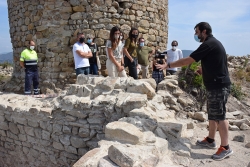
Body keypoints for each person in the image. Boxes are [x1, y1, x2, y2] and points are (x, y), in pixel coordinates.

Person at [156, 22, 232, 161]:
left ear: (204, 31)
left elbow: (188, 60)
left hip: (218, 85)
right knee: (213, 114)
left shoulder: (208, 44)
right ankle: (210, 139)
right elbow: (218, 62)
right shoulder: (213, 44)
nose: (195, 35)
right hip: (215, 84)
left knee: (220, 116)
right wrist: (205, 70)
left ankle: (226, 147)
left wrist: (169, 65)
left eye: (197, 32)